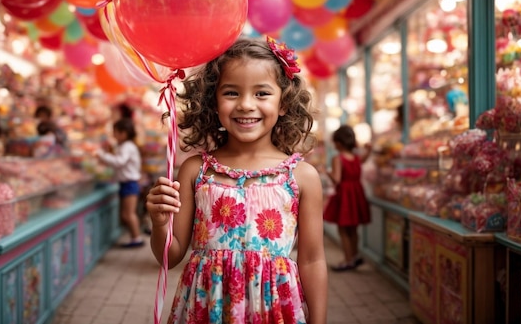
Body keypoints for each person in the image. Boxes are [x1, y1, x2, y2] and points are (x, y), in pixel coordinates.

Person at [146, 37, 328, 323]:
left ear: (284, 103)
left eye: (262, 93)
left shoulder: (302, 177)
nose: (245, 105)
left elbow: (312, 260)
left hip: (273, 311)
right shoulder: (196, 171)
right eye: (231, 92)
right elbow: (170, 256)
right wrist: (159, 224)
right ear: (213, 102)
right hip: (207, 309)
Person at [323, 125, 372, 272]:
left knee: (343, 229)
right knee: (353, 229)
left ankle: (347, 259)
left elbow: (337, 179)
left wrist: (326, 171)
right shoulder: (356, 157)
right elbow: (364, 157)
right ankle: (355, 256)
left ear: (338, 143)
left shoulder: (338, 159)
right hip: (356, 194)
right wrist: (369, 149)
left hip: (344, 195)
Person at [96, 118, 144, 248]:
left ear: (124, 133)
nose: (114, 135)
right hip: (127, 183)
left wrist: (101, 155)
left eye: (115, 132)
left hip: (130, 183)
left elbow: (119, 161)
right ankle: (135, 237)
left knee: (129, 214)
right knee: (126, 214)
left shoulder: (127, 146)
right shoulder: (126, 146)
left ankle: (136, 238)